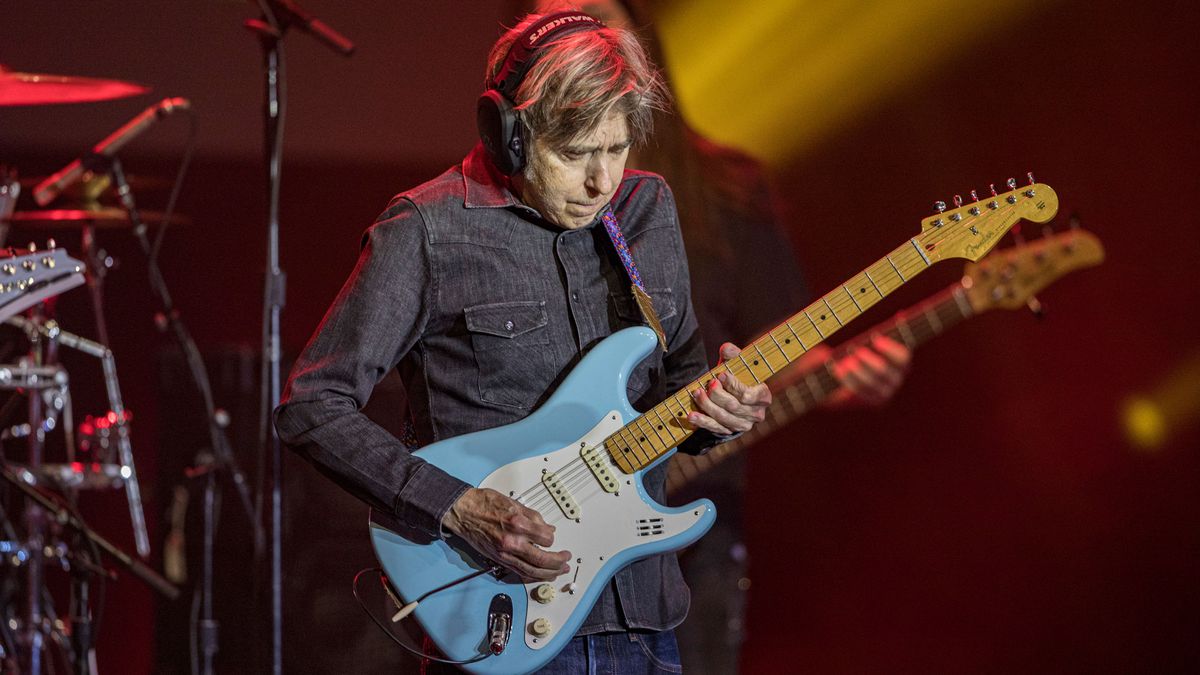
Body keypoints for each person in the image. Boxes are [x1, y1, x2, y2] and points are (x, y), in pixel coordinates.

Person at [275, 10, 774, 672]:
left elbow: (679, 387)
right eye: (574, 155)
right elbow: (311, 401)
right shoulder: (427, 228)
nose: (601, 182)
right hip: (502, 618)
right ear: (507, 133)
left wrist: (720, 415)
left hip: (644, 620)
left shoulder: (647, 209)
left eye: (616, 149)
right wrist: (451, 504)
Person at [524, 2, 912, 672]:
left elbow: (778, 342)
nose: (575, 41)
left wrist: (840, 374)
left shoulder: (726, 187)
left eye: (592, 17)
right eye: (551, 24)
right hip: (546, 515)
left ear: (640, 46)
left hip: (689, 526)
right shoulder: (515, 195)